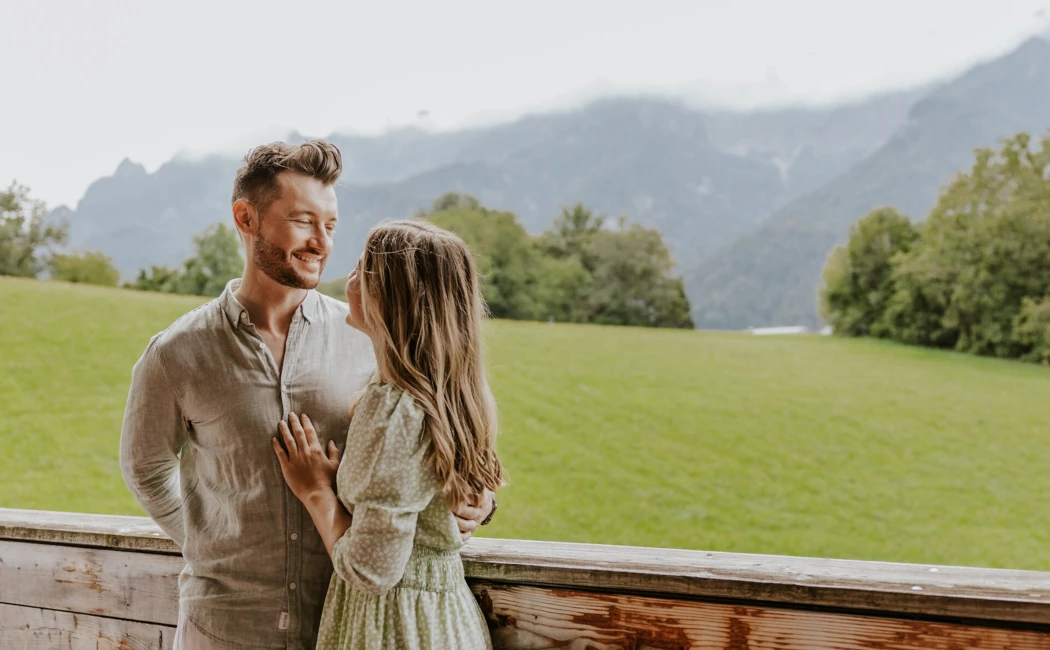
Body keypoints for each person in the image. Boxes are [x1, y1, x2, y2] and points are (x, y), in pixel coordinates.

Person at [119, 140, 495, 650]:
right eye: (302, 221)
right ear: (246, 218)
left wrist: (477, 501)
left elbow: (438, 426)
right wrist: (213, 548)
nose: (322, 242)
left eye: (331, 225)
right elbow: (145, 469)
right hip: (225, 629)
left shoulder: (370, 337)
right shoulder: (177, 354)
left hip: (346, 625)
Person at [273, 220, 502, 650]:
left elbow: (370, 570)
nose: (351, 277)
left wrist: (316, 490)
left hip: (392, 629)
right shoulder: (449, 396)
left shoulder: (393, 406)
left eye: (364, 269)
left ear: (392, 299)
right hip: (446, 623)